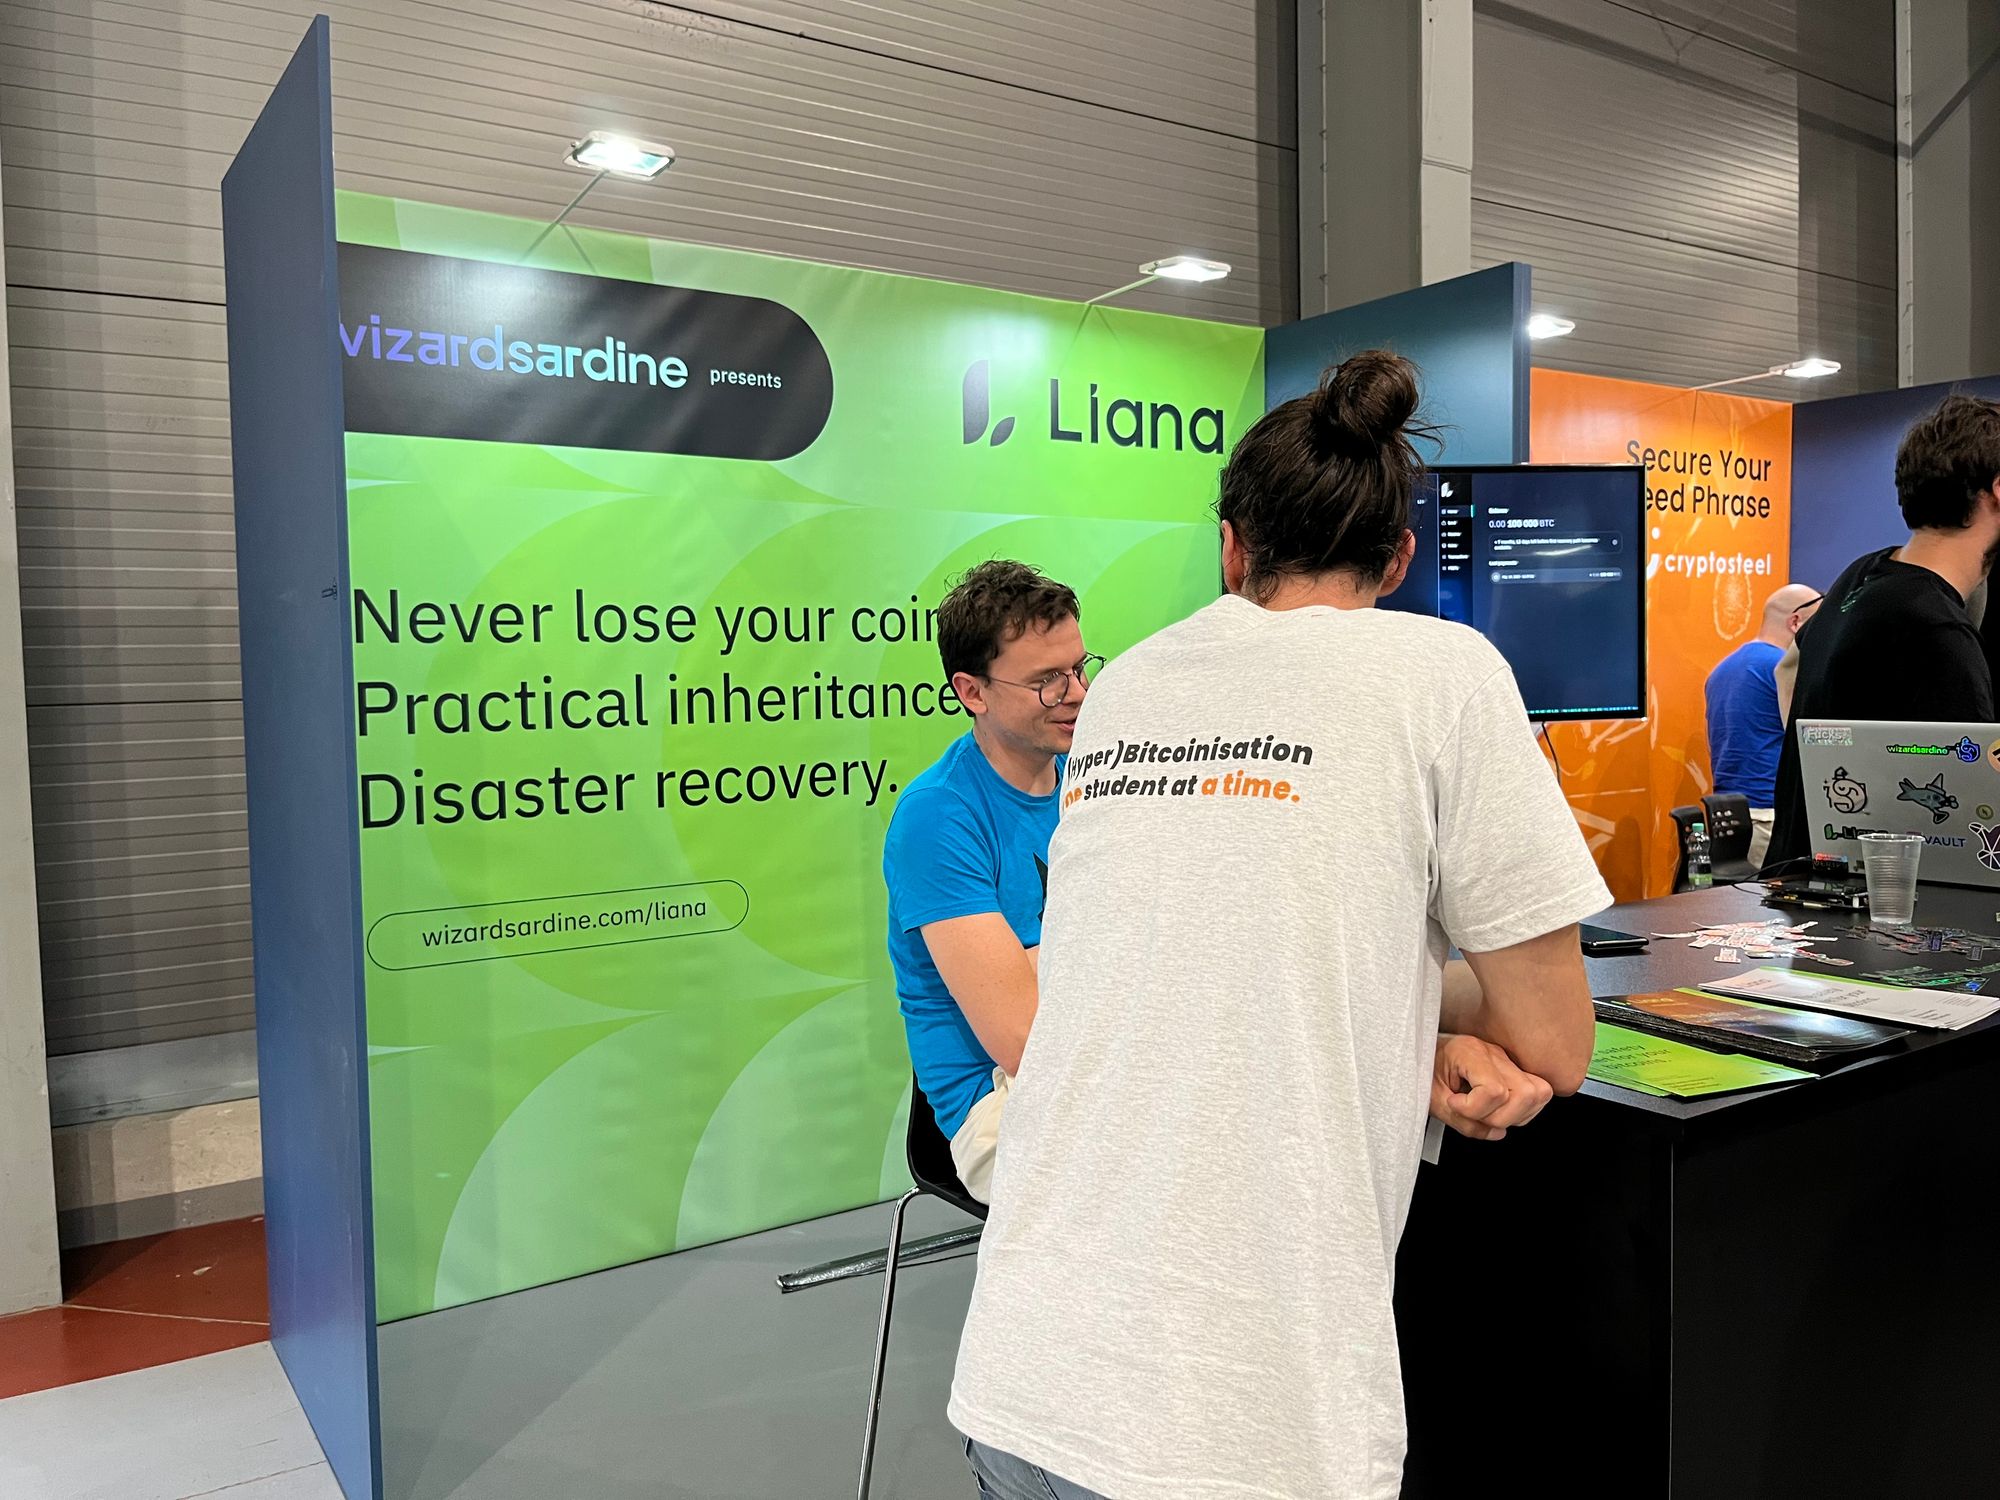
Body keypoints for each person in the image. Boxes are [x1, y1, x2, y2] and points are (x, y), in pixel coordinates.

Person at [949, 351, 1612, 1500]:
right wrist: (1427, 1013)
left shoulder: (1126, 686)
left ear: (1229, 548)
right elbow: (1553, 1043)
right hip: (1247, 1419)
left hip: (1025, 1368)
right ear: (1398, 558)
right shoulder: (1444, 672)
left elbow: (1202, 958)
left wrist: (1395, 1007)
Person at [881, 560, 1097, 1203]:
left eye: (1080, 668)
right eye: (1046, 681)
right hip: (997, 1106)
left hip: (1088, 1052)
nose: (1078, 693)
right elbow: (1025, 1040)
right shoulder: (936, 816)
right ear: (972, 692)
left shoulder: (1097, 779)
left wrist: (1038, 959)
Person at [1766, 395, 2000, 873]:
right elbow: (1977, 815)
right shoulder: (1937, 632)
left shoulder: (1859, 577)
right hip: (1876, 907)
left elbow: (1788, 673)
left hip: (1797, 883)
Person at [1705, 584, 1821, 867]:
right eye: (1817, 623)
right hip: (1770, 815)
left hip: (1727, 816)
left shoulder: (1720, 670)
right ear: (1796, 622)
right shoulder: (1783, 670)